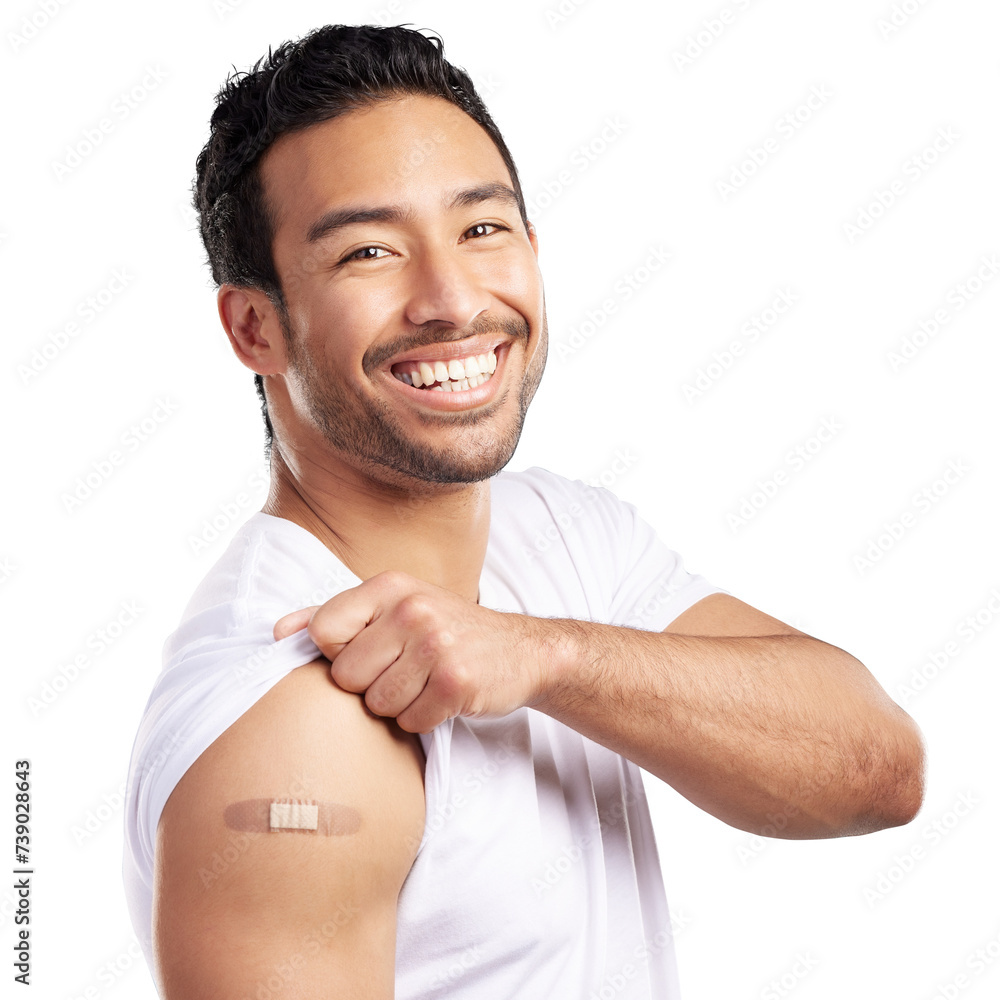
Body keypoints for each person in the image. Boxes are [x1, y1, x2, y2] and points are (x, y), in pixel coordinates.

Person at [122, 23, 926, 999]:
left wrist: (549, 656)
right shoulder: (299, 717)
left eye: (481, 228)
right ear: (255, 325)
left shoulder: (566, 536)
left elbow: (877, 769)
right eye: (369, 250)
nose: (453, 298)